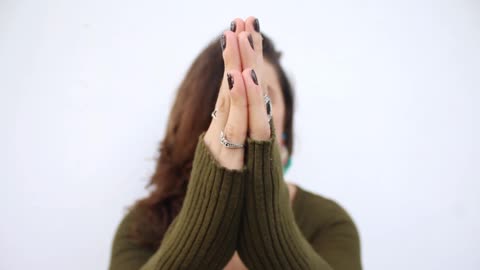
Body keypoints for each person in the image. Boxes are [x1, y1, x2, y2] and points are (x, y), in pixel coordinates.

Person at [108, 16, 362, 270]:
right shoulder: (140, 226)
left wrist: (265, 220)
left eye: (265, 100)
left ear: (287, 120)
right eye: (228, 96)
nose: (246, 108)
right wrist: (207, 215)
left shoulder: (327, 221)